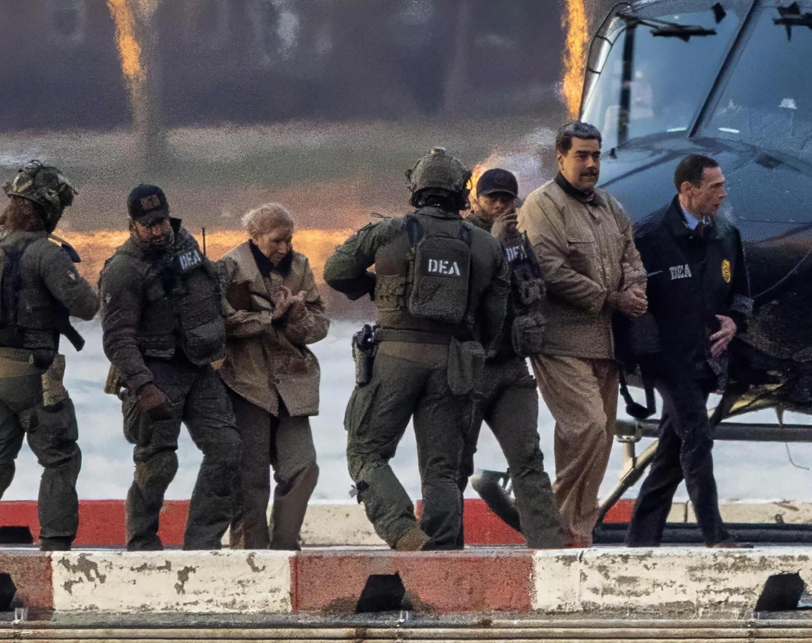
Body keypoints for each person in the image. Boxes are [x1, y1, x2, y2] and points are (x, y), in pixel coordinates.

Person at [324, 148, 510, 551]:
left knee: (366, 450)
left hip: (394, 357)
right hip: (453, 362)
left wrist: (378, 289)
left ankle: (402, 529)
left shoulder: (388, 232)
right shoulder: (485, 245)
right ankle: (441, 551)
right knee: (443, 469)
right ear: (461, 193)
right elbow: (495, 320)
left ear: (418, 188)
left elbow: (335, 272)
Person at [0, 160, 98, 551]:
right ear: (47, 209)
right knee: (60, 455)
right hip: (30, 370)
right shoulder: (44, 254)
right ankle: (54, 542)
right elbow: (86, 306)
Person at [517, 122, 647, 547]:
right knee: (585, 428)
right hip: (560, 341)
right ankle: (550, 523)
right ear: (560, 158)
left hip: (606, 344)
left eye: (595, 155)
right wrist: (612, 298)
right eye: (581, 156)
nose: (591, 164)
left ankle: (578, 531)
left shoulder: (610, 207)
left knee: (601, 438)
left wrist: (635, 289)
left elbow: (633, 257)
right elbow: (550, 269)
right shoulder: (543, 205)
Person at [99, 184, 242, 551]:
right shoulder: (123, 269)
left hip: (199, 367)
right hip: (156, 371)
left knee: (226, 449)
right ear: (133, 225)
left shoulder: (187, 246)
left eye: (162, 221)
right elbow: (118, 338)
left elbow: (211, 293)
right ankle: (142, 540)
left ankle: (203, 542)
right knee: (157, 462)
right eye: (149, 225)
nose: (159, 230)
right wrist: (144, 387)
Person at [625, 154, 751, 548]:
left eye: (723, 185)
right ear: (688, 190)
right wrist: (641, 359)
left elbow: (742, 295)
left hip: (705, 359)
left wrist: (734, 321)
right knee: (697, 436)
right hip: (666, 359)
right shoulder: (648, 236)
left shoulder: (727, 234)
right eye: (715, 187)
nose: (723, 194)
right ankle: (715, 536)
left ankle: (640, 540)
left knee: (671, 450)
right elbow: (630, 304)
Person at [460, 168, 564, 548]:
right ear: (476, 201)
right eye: (493, 198)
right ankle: (443, 549)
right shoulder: (463, 237)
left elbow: (534, 290)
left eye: (507, 198)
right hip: (471, 369)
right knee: (454, 464)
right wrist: (494, 242)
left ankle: (550, 549)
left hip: (512, 368)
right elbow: (464, 291)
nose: (501, 205)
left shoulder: (519, 241)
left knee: (528, 461)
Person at [217, 203, 329, 550]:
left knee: (303, 466)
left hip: (292, 384)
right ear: (254, 236)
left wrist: (295, 315)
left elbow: (319, 324)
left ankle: (284, 544)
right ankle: (248, 550)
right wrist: (268, 318)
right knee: (250, 477)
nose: (283, 248)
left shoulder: (301, 265)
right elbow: (218, 325)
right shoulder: (228, 268)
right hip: (246, 383)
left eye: (288, 240)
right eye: (276, 241)